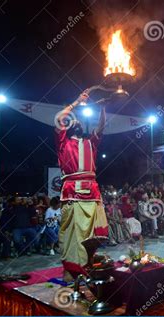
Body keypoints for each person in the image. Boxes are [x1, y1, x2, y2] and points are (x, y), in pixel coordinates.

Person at [55, 91, 109, 280]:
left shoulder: (90, 142)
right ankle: (72, 272)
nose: (76, 121)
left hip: (92, 193)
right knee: (73, 234)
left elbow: (102, 126)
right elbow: (60, 118)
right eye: (73, 120)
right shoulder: (63, 142)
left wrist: (103, 107)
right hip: (72, 193)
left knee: (91, 235)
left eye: (78, 120)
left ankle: (88, 268)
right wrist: (77, 102)